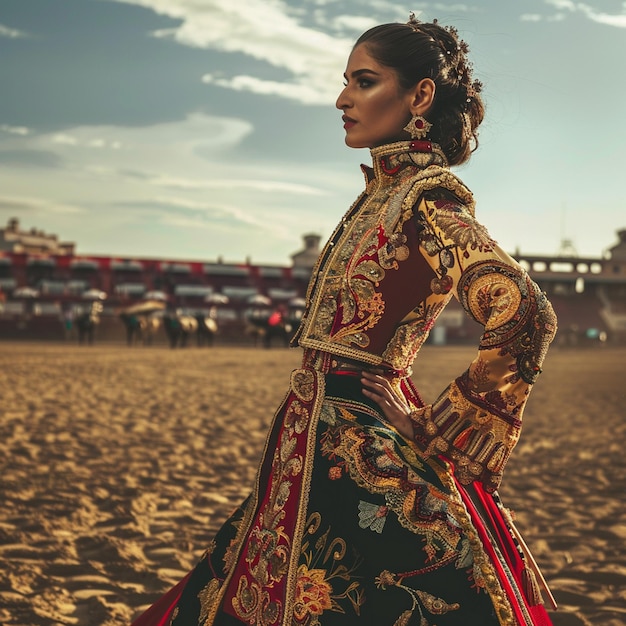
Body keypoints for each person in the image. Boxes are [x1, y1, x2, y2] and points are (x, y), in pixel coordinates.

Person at [131, 15, 557, 626]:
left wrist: (437, 428)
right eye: (346, 82)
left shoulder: (427, 202)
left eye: (363, 81)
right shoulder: (380, 196)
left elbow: (526, 313)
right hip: (305, 441)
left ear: (420, 96)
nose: (342, 99)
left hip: (359, 447)